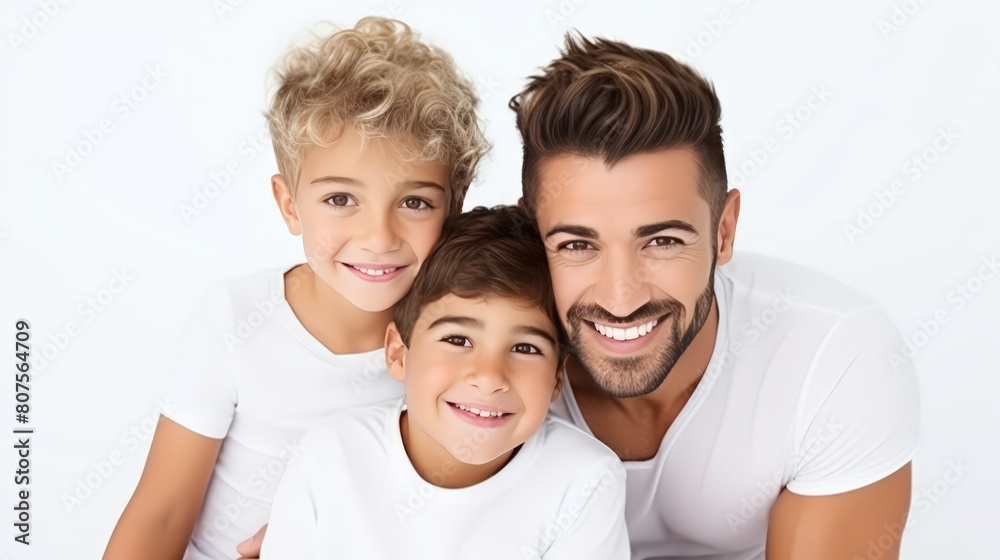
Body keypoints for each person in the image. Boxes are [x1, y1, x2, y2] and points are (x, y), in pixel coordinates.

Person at [510, 34, 920, 559]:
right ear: (528, 232)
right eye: (577, 244)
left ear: (723, 231)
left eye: (661, 241)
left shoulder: (834, 355)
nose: (620, 296)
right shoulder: (466, 363)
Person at [103, 17, 488, 560]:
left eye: (415, 202)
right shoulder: (234, 320)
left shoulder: (463, 349)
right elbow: (160, 512)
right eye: (339, 200)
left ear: (456, 204)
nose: (378, 238)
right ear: (289, 205)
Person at [259, 205, 630, 559]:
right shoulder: (333, 454)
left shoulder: (585, 480)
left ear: (556, 379)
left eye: (524, 347)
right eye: (457, 340)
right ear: (398, 354)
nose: (488, 377)